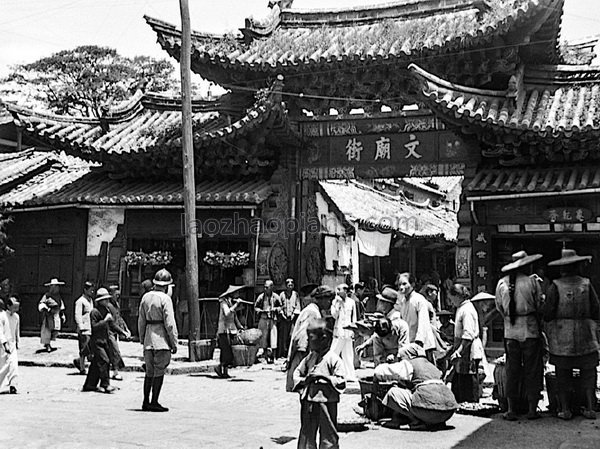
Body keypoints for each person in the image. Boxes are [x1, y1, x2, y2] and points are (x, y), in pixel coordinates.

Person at [544, 249, 600, 420]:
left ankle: (565, 409)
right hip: (586, 334)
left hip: (562, 337)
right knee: (589, 374)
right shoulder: (587, 284)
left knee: (563, 375)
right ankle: (590, 408)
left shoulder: (555, 286)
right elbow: (596, 309)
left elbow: (548, 312)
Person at [495, 250, 544, 421]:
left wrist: (510, 318)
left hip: (510, 331)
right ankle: (532, 409)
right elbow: (539, 305)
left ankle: (511, 409)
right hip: (530, 330)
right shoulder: (532, 282)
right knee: (532, 370)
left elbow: (499, 307)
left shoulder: (502, 283)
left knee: (512, 370)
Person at [293, 318, 346, 449]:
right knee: (307, 432)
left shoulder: (334, 359)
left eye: (310, 338)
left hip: (327, 401)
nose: (308, 341)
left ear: (324, 339)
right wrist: (305, 380)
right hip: (309, 400)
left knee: (328, 433)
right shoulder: (310, 357)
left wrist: (325, 377)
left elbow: (340, 380)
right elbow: (297, 373)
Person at [382, 343, 458, 430]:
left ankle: (418, 421)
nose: (400, 360)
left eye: (401, 358)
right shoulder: (431, 365)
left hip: (429, 413)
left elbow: (381, 372)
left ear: (409, 356)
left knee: (393, 392)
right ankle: (435, 422)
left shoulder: (408, 364)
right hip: (447, 413)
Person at [138, 269, 178, 412]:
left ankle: (145, 400)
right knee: (159, 372)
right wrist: (174, 342)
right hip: (161, 339)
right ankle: (154, 401)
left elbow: (141, 320)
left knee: (149, 372)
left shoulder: (145, 297)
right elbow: (170, 323)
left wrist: (142, 338)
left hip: (149, 338)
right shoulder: (165, 299)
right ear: (167, 286)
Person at [83, 288, 127, 394]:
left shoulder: (106, 311)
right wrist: (105, 321)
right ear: (99, 301)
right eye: (105, 300)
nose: (107, 301)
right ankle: (105, 384)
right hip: (96, 342)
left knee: (96, 364)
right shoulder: (94, 312)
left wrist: (122, 332)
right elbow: (94, 327)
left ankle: (90, 384)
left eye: (108, 299)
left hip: (105, 340)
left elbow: (111, 324)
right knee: (104, 361)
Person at [447, 283, 483, 403]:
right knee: (459, 378)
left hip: (468, 348)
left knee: (469, 378)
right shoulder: (461, 308)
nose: (451, 302)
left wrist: (459, 351)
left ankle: (471, 404)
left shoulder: (467, 310)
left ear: (457, 296)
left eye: (451, 299)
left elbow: (468, 335)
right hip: (462, 347)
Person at [356, 287, 410, 366]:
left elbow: (403, 346)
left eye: (380, 302)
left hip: (394, 362)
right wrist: (365, 344)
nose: (378, 304)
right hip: (381, 360)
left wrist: (395, 356)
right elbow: (376, 336)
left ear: (386, 304)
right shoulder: (382, 319)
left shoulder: (399, 324)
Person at [394, 273, 436, 363]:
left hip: (422, 343)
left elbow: (423, 322)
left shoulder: (419, 300)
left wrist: (419, 341)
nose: (401, 287)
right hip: (409, 342)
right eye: (399, 285)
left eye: (404, 284)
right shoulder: (403, 301)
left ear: (412, 284)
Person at [215, 285, 245, 379]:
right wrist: (236, 305)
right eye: (236, 293)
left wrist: (240, 326)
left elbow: (234, 317)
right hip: (223, 330)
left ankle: (225, 371)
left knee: (230, 352)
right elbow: (227, 313)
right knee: (226, 351)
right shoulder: (223, 302)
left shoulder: (231, 302)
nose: (238, 294)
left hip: (231, 330)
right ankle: (220, 368)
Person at [330, 283, 358, 382]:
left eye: (345, 289)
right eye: (341, 289)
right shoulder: (335, 302)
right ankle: (331, 371)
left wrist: (354, 330)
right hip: (339, 330)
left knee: (348, 354)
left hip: (348, 331)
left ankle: (350, 375)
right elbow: (334, 315)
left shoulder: (351, 302)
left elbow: (354, 317)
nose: (343, 291)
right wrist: (338, 304)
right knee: (334, 351)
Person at [254, 279, 281, 363]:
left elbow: (281, 307)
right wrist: (261, 311)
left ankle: (274, 356)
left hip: (272, 318)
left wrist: (275, 309)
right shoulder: (261, 297)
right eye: (265, 287)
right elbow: (256, 307)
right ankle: (265, 355)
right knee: (263, 337)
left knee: (274, 337)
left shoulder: (276, 296)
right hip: (264, 318)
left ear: (271, 287)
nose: (265, 289)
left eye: (267, 287)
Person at [107, 284, 130, 381]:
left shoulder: (116, 305)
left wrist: (126, 328)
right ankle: (115, 372)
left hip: (115, 331)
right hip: (108, 331)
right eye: (115, 294)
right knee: (115, 351)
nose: (117, 296)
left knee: (112, 352)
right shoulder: (108, 306)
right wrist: (123, 332)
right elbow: (111, 322)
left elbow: (119, 318)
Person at [38, 278, 66, 352]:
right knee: (47, 330)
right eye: (54, 286)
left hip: (56, 314)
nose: (56, 288)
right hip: (49, 315)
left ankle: (49, 341)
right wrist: (46, 308)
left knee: (56, 330)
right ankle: (47, 344)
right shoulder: (47, 295)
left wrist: (62, 314)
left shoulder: (58, 296)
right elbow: (42, 304)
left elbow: (61, 306)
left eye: (57, 286)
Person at [73, 281, 95, 375]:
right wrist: (80, 326)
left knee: (89, 348)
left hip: (91, 327)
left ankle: (81, 363)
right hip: (84, 328)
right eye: (90, 290)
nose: (92, 292)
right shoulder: (80, 301)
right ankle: (82, 367)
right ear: (85, 290)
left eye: (93, 290)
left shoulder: (90, 301)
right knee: (83, 349)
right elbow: (77, 315)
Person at [0, 296, 20, 394]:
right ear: (8, 306)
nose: (16, 309)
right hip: (3, 345)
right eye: (14, 307)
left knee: (14, 365)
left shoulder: (16, 317)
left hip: (12, 344)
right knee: (3, 366)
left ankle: (13, 385)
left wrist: (17, 341)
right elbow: (0, 331)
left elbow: (16, 330)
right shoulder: (2, 316)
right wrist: (4, 343)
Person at [278, 278, 300, 358]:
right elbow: (279, 306)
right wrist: (282, 315)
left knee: (291, 336)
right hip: (284, 318)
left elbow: (298, 306)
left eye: (291, 285)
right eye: (288, 285)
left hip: (292, 319)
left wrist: (294, 315)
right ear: (286, 286)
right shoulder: (282, 294)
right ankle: (283, 354)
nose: (290, 287)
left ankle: (290, 353)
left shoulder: (295, 294)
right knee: (283, 337)